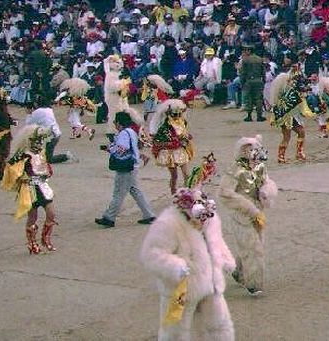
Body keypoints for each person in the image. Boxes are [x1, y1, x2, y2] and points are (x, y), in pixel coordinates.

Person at [140, 187, 235, 341]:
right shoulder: (168, 224)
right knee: (175, 332)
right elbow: (151, 253)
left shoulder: (209, 220)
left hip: (212, 284)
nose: (202, 220)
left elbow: (216, 241)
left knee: (218, 326)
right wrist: (175, 266)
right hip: (181, 290)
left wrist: (225, 258)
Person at [219, 135, 278, 296]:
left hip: (258, 211)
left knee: (256, 242)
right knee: (252, 247)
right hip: (241, 213)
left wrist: (266, 191)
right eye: (249, 150)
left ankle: (239, 272)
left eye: (254, 149)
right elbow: (225, 192)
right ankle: (254, 283)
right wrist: (245, 205)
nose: (253, 153)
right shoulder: (235, 170)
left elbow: (266, 181)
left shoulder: (260, 167)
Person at [1, 125, 57, 254]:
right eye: (37, 140)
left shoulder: (41, 153)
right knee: (32, 216)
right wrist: (20, 176)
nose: (40, 143)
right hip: (30, 188)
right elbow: (11, 166)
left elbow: (46, 169)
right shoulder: (24, 155)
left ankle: (46, 238)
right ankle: (32, 242)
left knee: (51, 213)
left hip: (43, 186)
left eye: (41, 140)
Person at [95, 111, 156, 228]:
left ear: (118, 123)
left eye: (115, 122)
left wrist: (111, 149)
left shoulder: (123, 133)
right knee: (135, 191)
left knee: (118, 193)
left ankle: (109, 217)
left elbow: (122, 149)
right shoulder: (131, 131)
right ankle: (149, 215)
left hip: (126, 167)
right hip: (133, 166)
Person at [269, 55, 313, 163]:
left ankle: (297, 153)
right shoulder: (286, 84)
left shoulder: (289, 82)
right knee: (289, 135)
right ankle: (283, 156)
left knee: (299, 132)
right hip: (286, 114)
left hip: (289, 113)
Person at [149, 99, 194, 194]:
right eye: (175, 114)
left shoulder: (182, 121)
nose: (177, 116)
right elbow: (158, 141)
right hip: (170, 154)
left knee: (186, 174)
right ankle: (174, 193)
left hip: (181, 151)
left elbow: (183, 133)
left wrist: (186, 137)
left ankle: (188, 192)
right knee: (174, 176)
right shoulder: (164, 127)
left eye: (179, 114)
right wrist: (172, 143)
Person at [26, 96, 75, 164]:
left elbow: (28, 123)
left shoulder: (37, 112)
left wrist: (29, 113)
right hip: (54, 133)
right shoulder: (49, 109)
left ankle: (66, 156)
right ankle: (36, 158)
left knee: (49, 159)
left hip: (52, 135)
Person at [240, 43, 266, 122]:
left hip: (249, 81)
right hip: (258, 80)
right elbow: (263, 72)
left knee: (249, 98)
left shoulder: (245, 60)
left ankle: (249, 116)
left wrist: (242, 82)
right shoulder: (259, 59)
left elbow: (243, 73)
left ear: (249, 51)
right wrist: (263, 81)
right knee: (259, 98)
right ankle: (259, 116)